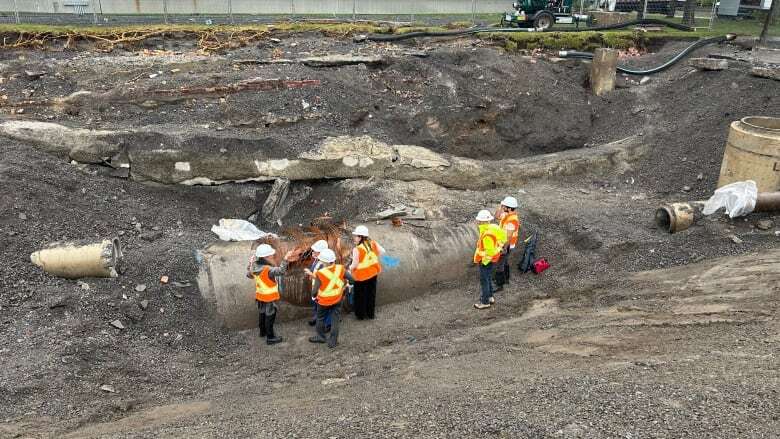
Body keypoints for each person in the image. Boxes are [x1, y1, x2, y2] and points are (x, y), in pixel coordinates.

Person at [248, 243, 296, 345]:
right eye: (270, 255)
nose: (272, 256)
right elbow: (281, 271)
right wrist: (286, 259)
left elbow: (249, 275)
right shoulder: (267, 269)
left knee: (262, 313)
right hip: (269, 297)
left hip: (260, 295)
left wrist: (250, 263)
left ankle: (262, 332)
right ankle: (270, 337)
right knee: (270, 315)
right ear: (265, 257)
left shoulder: (254, 266)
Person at [309, 248, 353, 348]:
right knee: (335, 319)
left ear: (324, 261)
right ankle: (333, 341)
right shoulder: (340, 268)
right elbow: (352, 280)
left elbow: (314, 291)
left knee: (320, 318)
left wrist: (314, 297)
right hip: (337, 299)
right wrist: (345, 285)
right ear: (333, 260)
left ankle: (321, 337)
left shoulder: (320, 273)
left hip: (323, 302)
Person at [348, 225, 384, 320]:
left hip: (361, 277)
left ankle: (360, 315)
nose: (354, 238)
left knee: (360, 296)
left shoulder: (357, 249)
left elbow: (355, 265)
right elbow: (381, 251)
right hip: (373, 273)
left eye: (356, 236)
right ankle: (370, 314)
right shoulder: (373, 243)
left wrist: (349, 268)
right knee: (371, 294)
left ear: (360, 237)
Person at [473, 210, 505, 310]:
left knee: (484, 280)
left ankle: (485, 302)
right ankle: (490, 297)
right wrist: (499, 247)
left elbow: (490, 252)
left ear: (482, 222)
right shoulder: (493, 227)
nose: (478, 222)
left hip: (485, 261)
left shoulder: (486, 235)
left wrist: (480, 254)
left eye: (479, 221)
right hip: (491, 260)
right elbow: (502, 239)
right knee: (488, 277)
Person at [494, 196, 521, 292]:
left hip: (507, 245)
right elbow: (496, 216)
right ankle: (506, 279)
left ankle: (499, 284)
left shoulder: (512, 220)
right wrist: (501, 207)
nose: (503, 207)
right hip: (505, 243)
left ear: (509, 208)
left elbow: (508, 237)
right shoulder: (506, 214)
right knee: (504, 261)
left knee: (499, 264)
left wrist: (503, 248)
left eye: (504, 206)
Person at [304, 239, 330, 328]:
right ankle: (317, 317)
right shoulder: (316, 260)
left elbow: (322, 278)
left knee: (324, 307)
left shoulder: (324, 264)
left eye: (316, 251)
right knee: (316, 304)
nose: (313, 252)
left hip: (322, 290)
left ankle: (327, 324)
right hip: (315, 288)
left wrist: (310, 274)